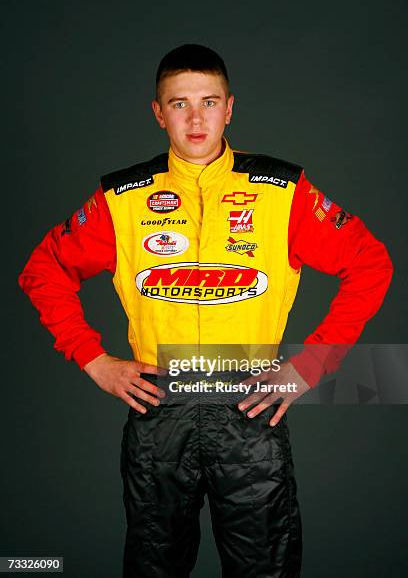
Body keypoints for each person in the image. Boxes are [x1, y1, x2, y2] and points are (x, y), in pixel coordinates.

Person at [18, 44, 393, 578]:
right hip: (159, 411)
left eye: (209, 102)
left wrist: (311, 365)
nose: (196, 118)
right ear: (158, 111)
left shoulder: (281, 191)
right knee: (153, 568)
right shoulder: (123, 199)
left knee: (266, 570)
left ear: (230, 108)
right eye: (179, 104)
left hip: (250, 409)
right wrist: (93, 358)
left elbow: (370, 263)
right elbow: (43, 269)